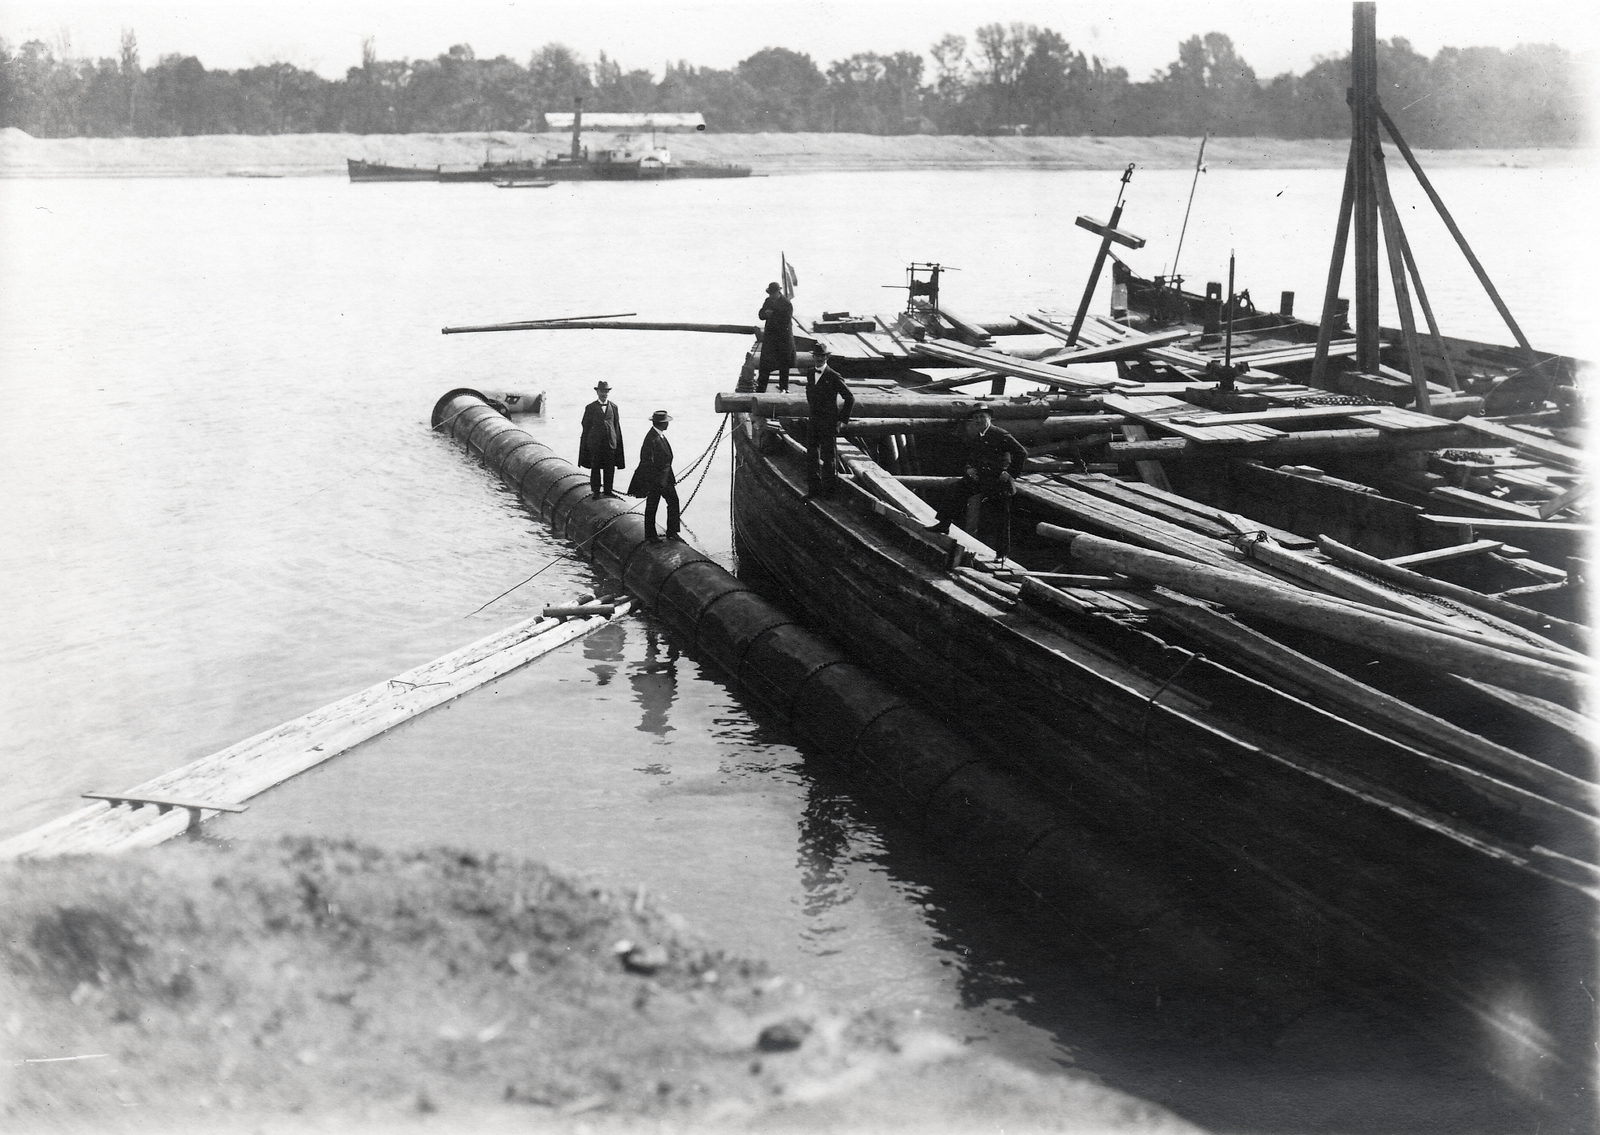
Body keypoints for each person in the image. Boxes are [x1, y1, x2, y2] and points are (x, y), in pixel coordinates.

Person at [960, 406, 1029, 560]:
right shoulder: (977, 437)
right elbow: (971, 458)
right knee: (984, 518)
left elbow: (1021, 452)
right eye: (976, 417)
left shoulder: (1000, 434)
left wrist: (1011, 472)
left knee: (1001, 521)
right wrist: (969, 469)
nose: (978, 420)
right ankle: (977, 551)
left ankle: (1002, 554)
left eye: (982, 417)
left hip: (1000, 484)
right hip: (985, 484)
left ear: (989, 418)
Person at [805, 343, 854, 497]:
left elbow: (850, 398)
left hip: (828, 422)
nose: (819, 359)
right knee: (812, 456)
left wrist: (842, 419)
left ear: (826, 358)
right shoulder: (810, 372)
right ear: (813, 357)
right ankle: (814, 490)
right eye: (817, 356)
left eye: (822, 356)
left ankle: (829, 492)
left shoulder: (833, 376)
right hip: (814, 420)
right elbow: (809, 392)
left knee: (828, 458)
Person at [628, 409, 680, 541]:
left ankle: (672, 532)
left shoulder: (660, 435)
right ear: (660, 424)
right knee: (652, 506)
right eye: (666, 422)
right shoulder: (651, 438)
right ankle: (650, 535)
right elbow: (647, 462)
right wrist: (654, 482)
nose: (668, 424)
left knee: (673, 502)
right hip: (655, 480)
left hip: (666, 478)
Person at [578, 381, 625, 498]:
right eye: (602, 391)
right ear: (597, 392)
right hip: (596, 444)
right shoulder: (590, 407)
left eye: (606, 391)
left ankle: (608, 490)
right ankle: (596, 491)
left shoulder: (613, 407)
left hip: (610, 443)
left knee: (610, 467)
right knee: (596, 467)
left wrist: (616, 440)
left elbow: (616, 424)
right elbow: (585, 425)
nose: (604, 394)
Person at [756, 282, 796, 393]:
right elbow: (760, 314)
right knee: (765, 363)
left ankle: (784, 387)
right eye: (770, 293)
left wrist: (772, 315)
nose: (771, 295)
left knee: (784, 364)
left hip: (783, 338)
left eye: (773, 293)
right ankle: (761, 388)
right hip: (770, 338)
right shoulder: (768, 301)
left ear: (778, 292)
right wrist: (765, 313)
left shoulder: (786, 303)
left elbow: (786, 320)